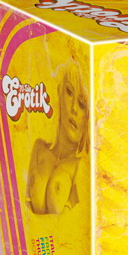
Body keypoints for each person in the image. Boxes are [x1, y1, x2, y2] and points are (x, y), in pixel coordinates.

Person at [27, 62, 89, 215]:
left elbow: (69, 225)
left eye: (82, 104)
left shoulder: (80, 168)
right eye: (69, 92)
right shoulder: (38, 148)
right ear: (59, 91)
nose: (74, 108)